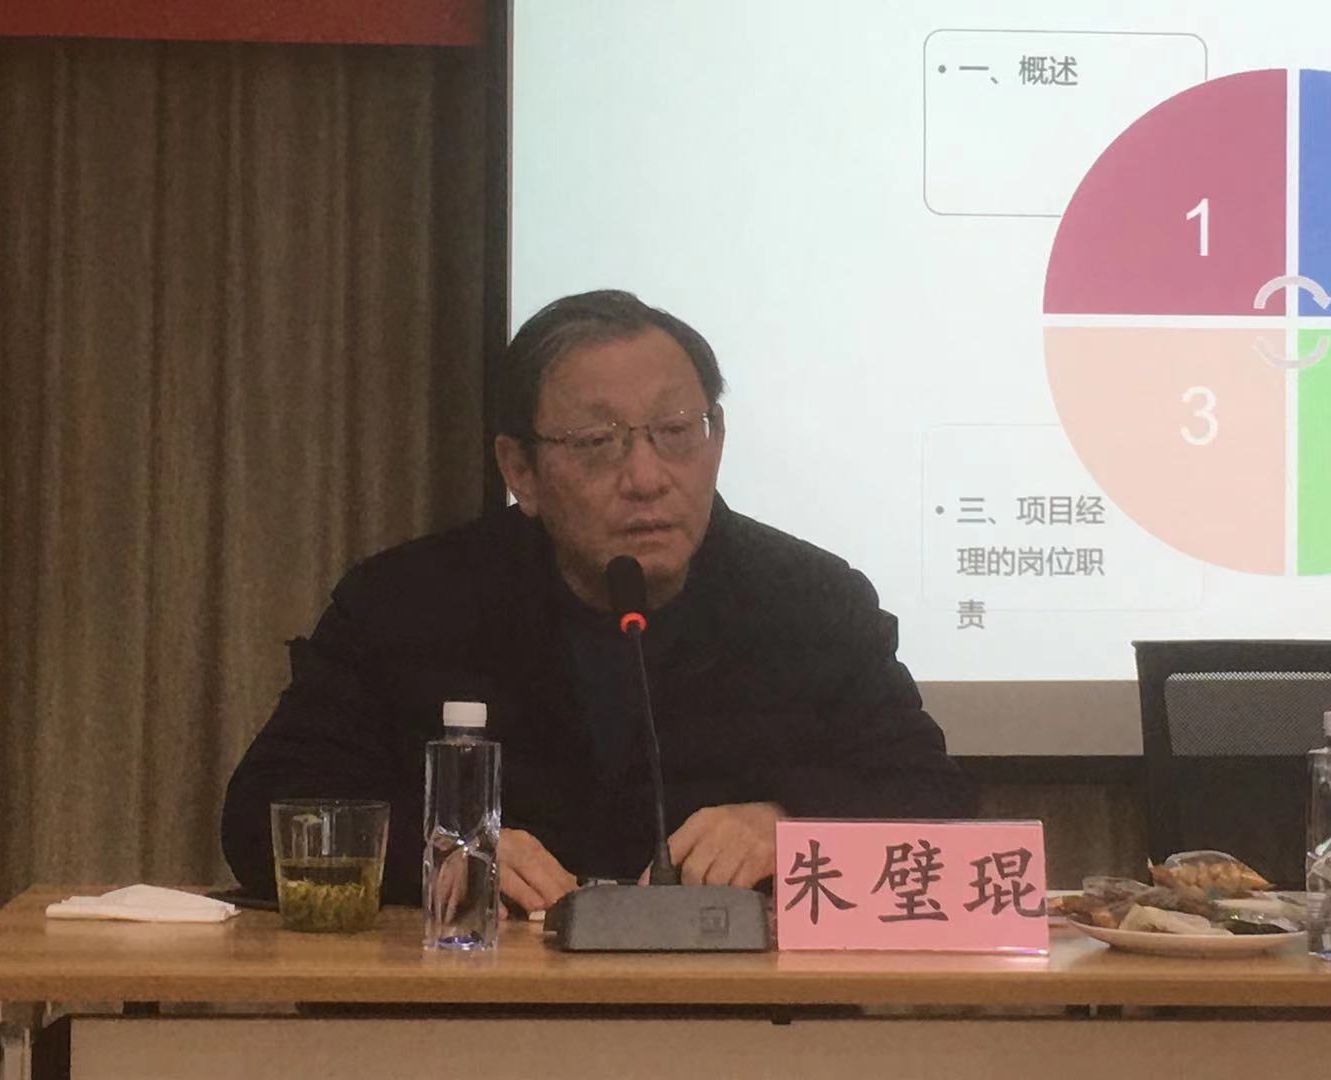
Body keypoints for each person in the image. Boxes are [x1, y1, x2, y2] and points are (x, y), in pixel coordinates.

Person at [221, 289, 973, 913]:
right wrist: (439, 851)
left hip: (745, 1017)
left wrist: (789, 826)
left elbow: (935, 805)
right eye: (596, 442)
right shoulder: (407, 605)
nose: (646, 477)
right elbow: (263, 816)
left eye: (676, 431)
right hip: (476, 1011)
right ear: (520, 469)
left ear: (716, 437)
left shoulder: (812, 604)